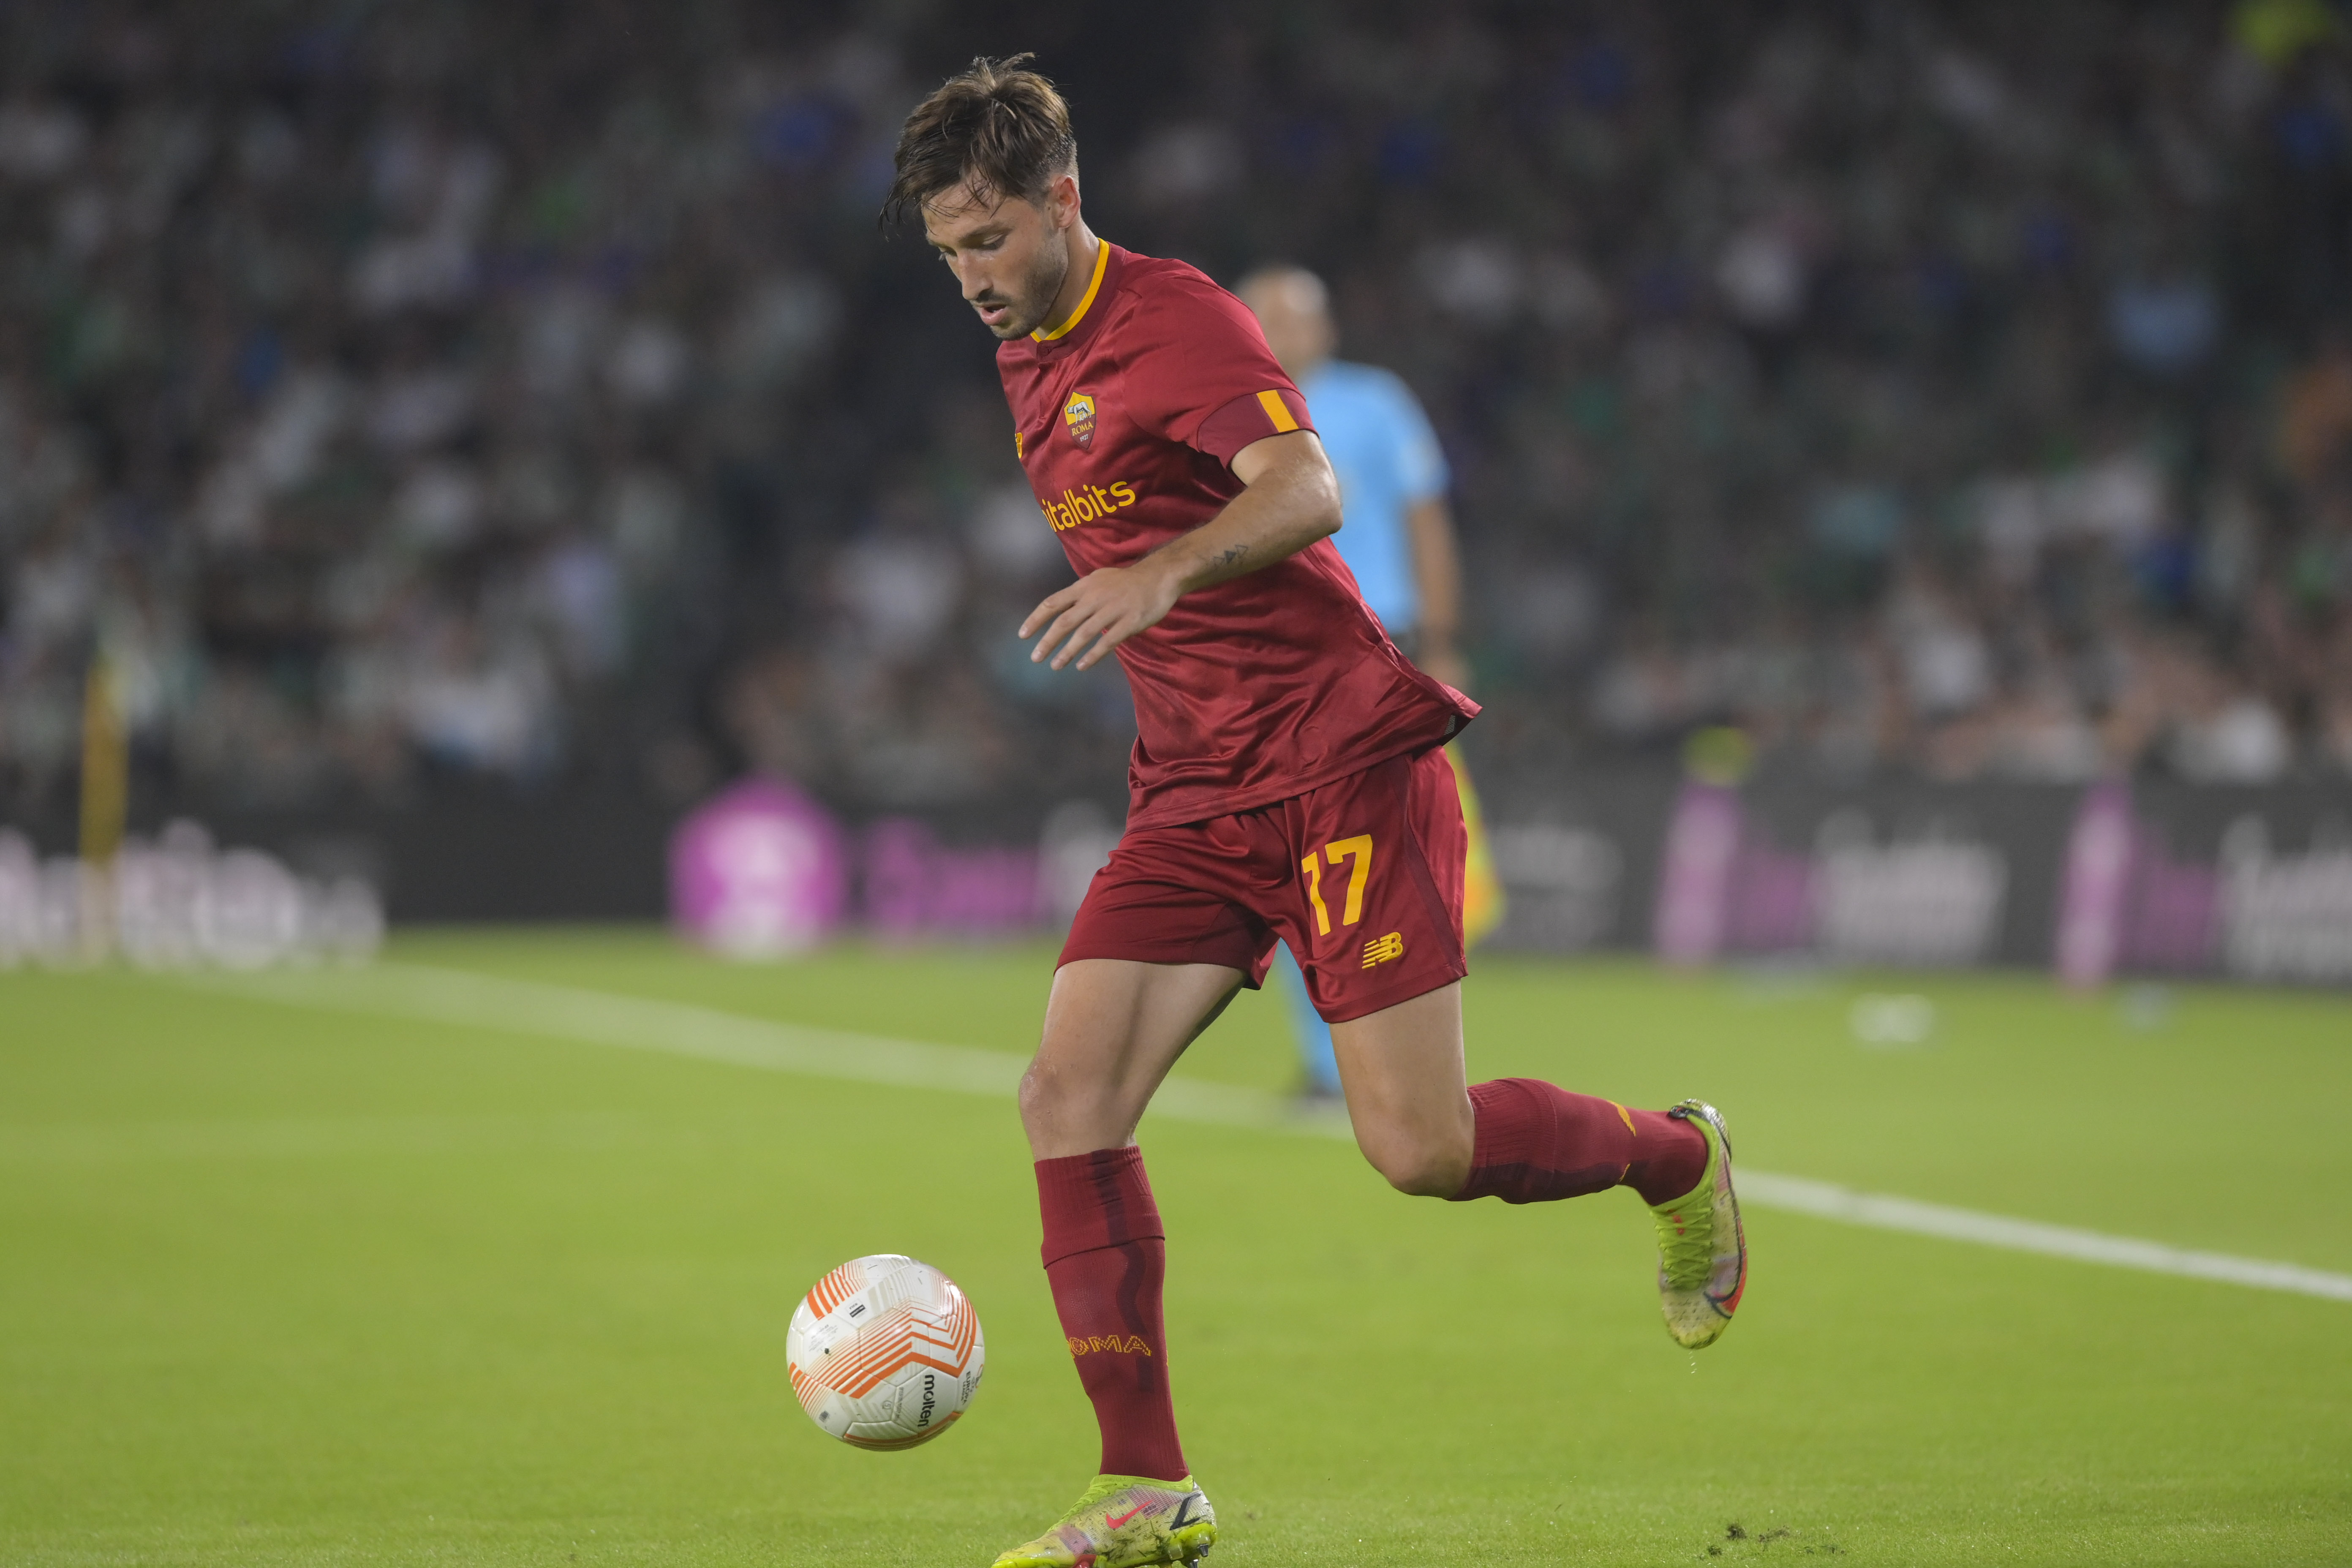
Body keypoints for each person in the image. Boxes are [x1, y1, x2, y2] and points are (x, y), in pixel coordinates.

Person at [885, 57, 1746, 1568]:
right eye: (946, 250)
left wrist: (1157, 575)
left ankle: (1674, 1159)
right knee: (1063, 1096)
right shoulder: (1022, 346)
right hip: (1193, 790)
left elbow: (1304, 489)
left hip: (1340, 756)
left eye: (988, 240)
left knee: (1416, 1148)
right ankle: (1144, 1491)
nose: (970, 278)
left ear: (1061, 199)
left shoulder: (1174, 318)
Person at [1238, 265, 1503, 1099]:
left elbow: (1427, 521)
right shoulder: (1224, 412)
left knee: (1382, 859)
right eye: (1266, 318)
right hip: (1274, 660)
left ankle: (1399, 1058)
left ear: (1328, 329)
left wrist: (1444, 638)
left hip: (1373, 644)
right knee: (1288, 864)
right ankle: (1328, 1066)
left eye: (1298, 318)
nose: (1284, 333)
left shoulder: (1376, 403)